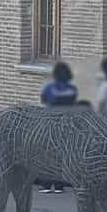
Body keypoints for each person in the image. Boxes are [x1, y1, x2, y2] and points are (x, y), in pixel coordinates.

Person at [39, 62, 78, 193]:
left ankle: (46, 184)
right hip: (66, 124)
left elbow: (43, 100)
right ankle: (59, 185)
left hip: (50, 122)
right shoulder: (72, 89)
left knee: (47, 154)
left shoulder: (49, 88)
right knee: (61, 155)